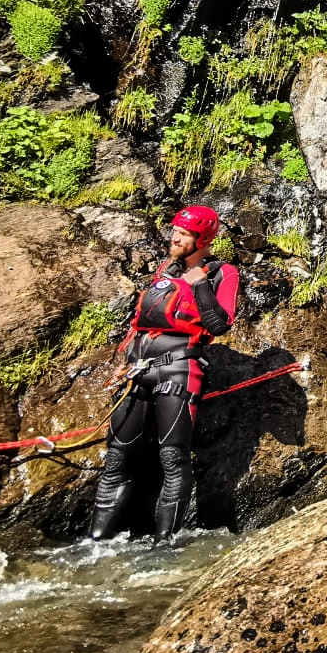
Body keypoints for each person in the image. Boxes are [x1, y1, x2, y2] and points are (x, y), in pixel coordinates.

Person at [88, 204, 239, 541]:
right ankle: (95, 544)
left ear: (202, 239)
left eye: (183, 234)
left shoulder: (222, 273)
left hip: (179, 372)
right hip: (138, 370)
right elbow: (142, 323)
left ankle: (163, 545)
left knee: (172, 458)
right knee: (117, 457)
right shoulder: (165, 270)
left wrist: (200, 285)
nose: (175, 237)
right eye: (175, 231)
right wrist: (124, 360)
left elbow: (220, 324)